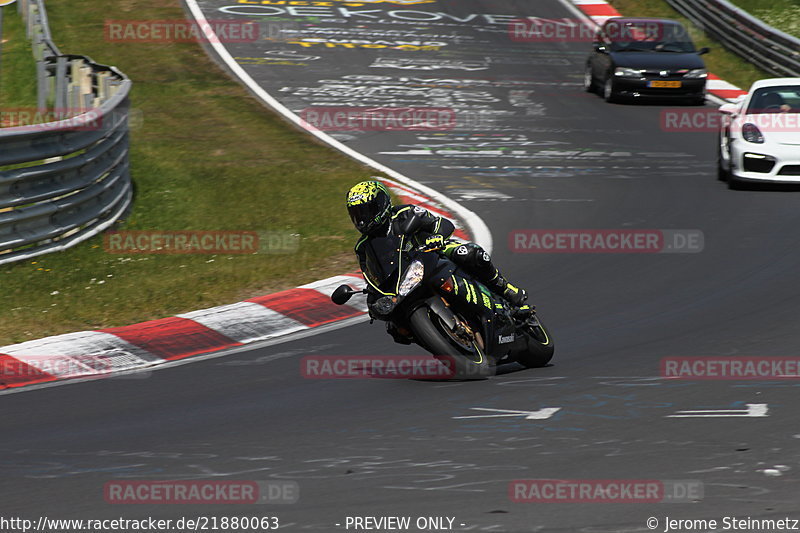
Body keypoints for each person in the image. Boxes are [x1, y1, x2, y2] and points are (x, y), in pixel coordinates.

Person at [346, 179, 532, 316]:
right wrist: (372, 298)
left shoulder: (403, 214)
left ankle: (506, 290)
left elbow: (442, 223)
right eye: (356, 214)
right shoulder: (363, 247)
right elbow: (370, 277)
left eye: (366, 211)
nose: (361, 219)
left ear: (381, 204)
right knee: (393, 326)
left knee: (470, 253)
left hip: (433, 254)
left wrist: (436, 237)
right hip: (403, 282)